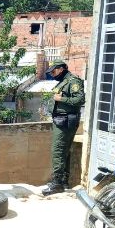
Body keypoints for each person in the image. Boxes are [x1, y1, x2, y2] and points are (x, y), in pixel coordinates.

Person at [42, 60, 85, 196]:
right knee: (63, 150)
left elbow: (80, 99)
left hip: (66, 120)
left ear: (61, 69)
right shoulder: (64, 82)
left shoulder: (73, 81)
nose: (53, 74)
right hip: (61, 119)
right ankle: (63, 181)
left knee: (58, 150)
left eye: (54, 71)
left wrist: (62, 99)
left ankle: (57, 183)